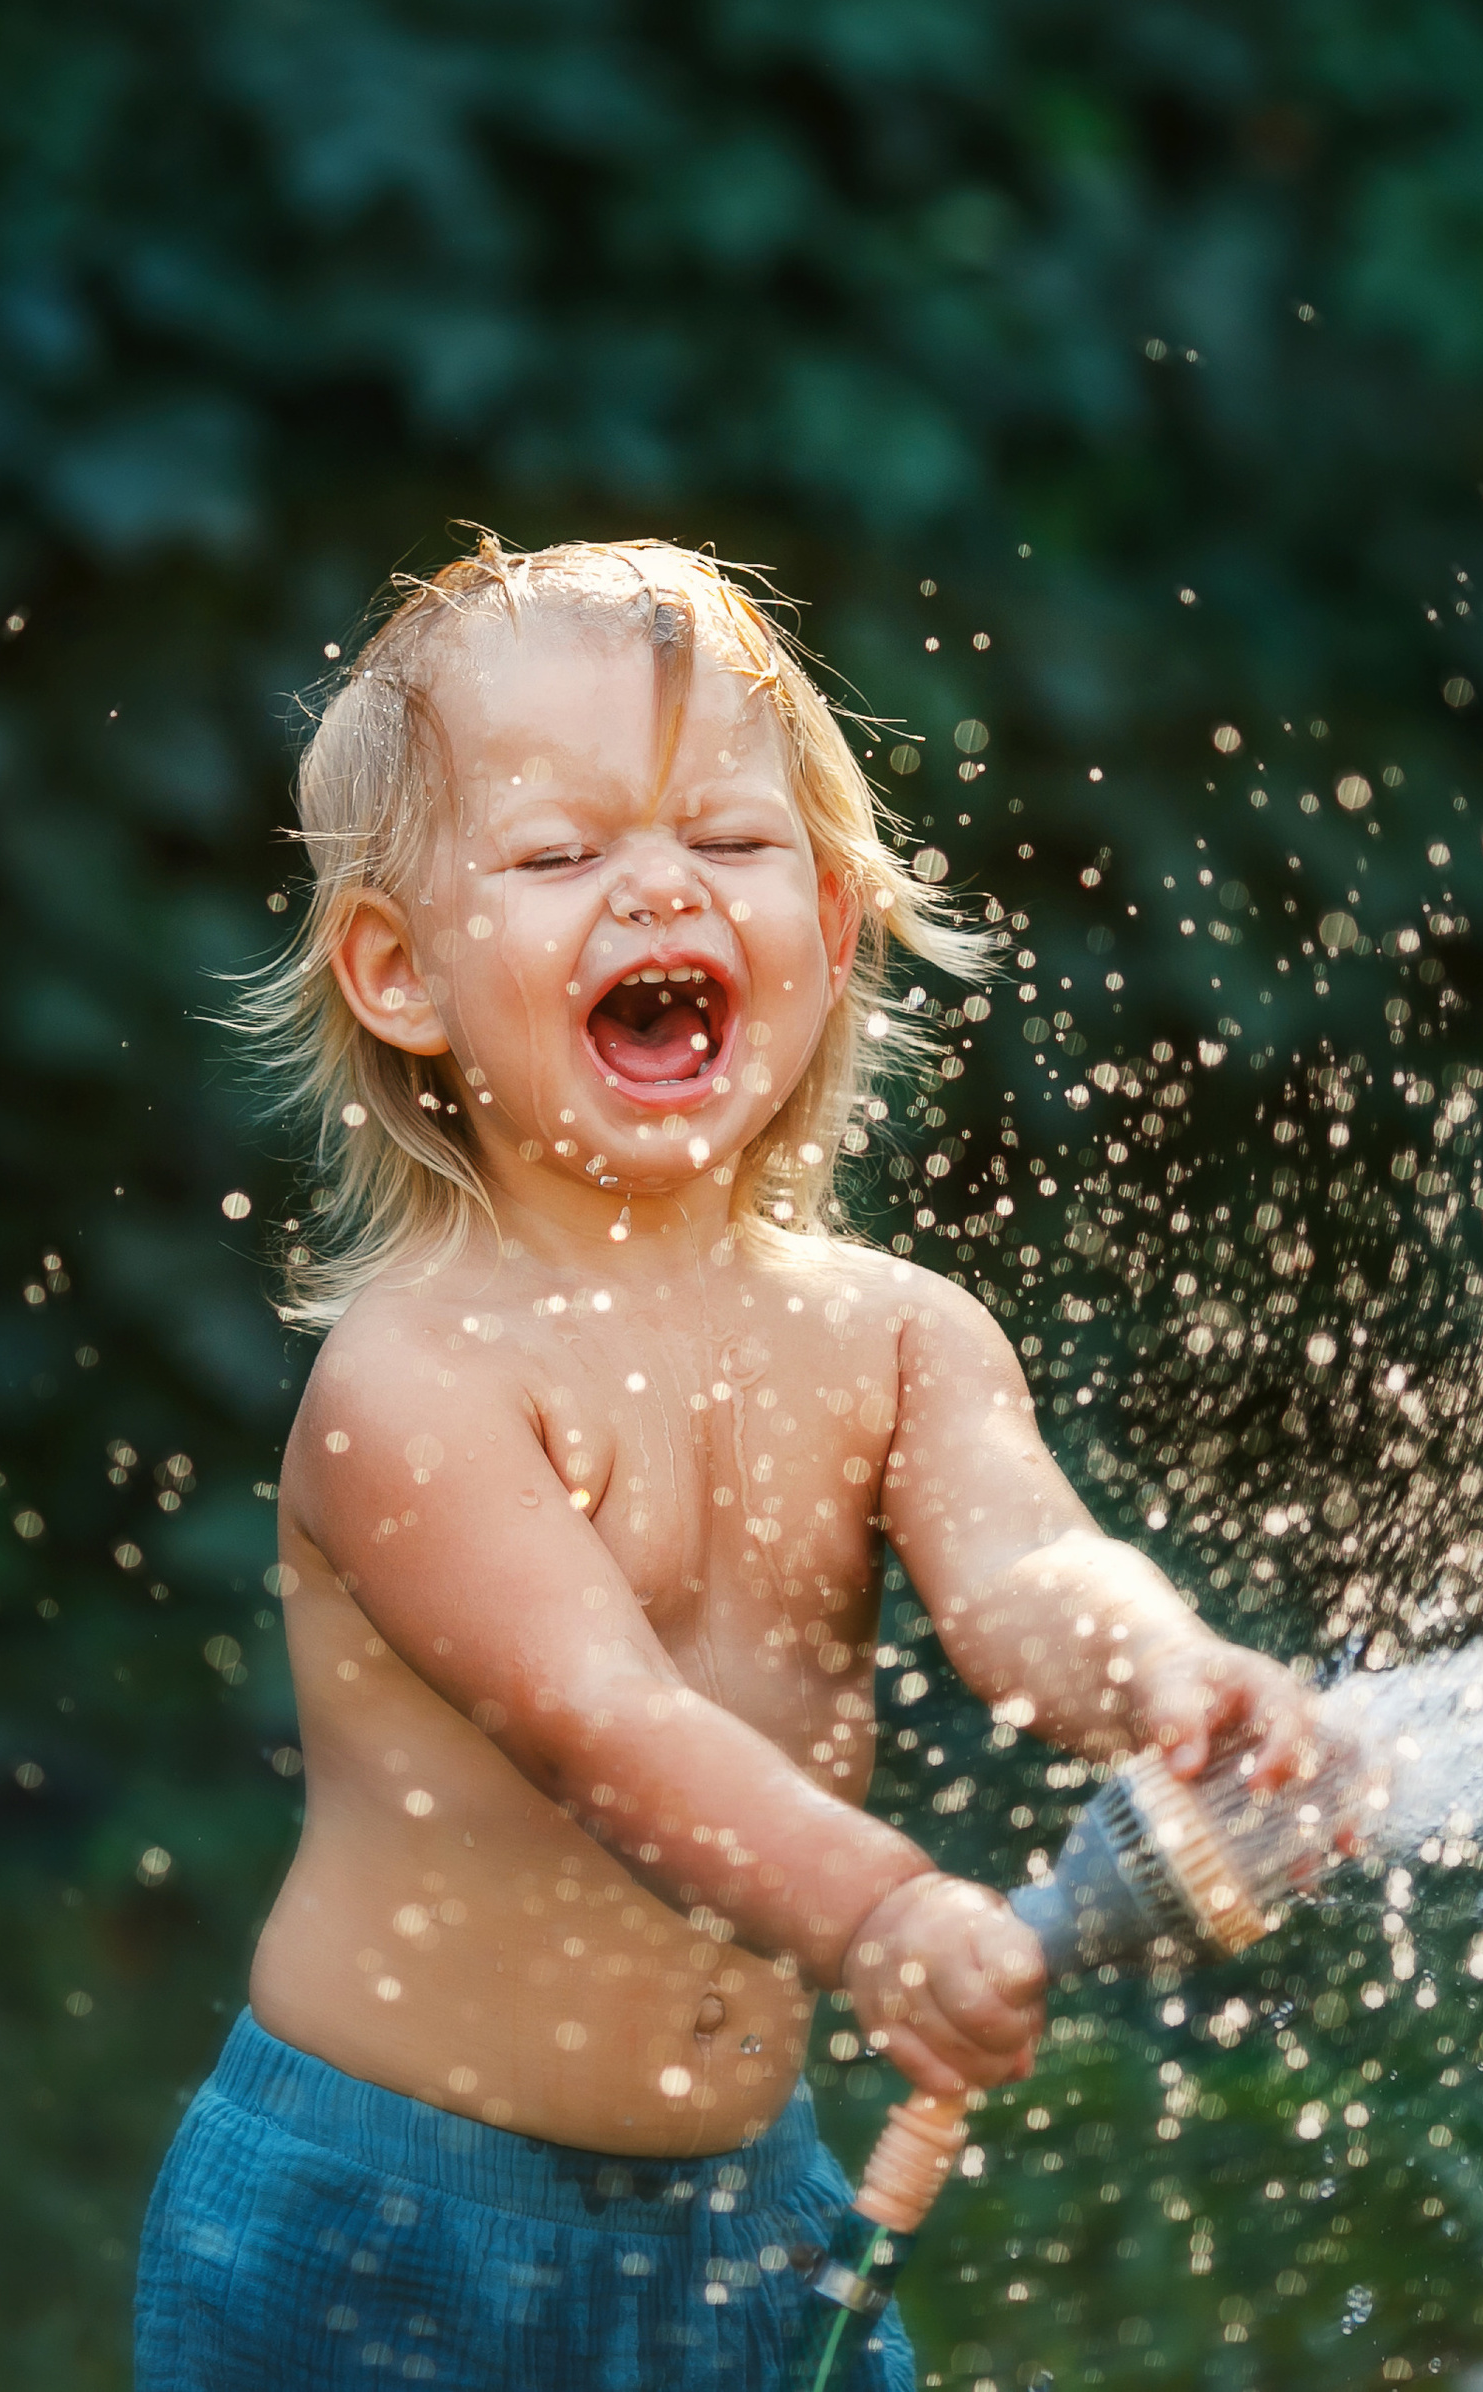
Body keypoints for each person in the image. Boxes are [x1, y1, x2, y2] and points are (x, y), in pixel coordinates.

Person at [134, 537, 1314, 2391]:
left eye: (732, 839)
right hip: (384, 2231)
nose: (660, 884)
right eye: (557, 855)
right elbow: (605, 1728)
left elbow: (1025, 1576)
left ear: (831, 930)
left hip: (747, 2224)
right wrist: (880, 1917)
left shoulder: (899, 1335)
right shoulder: (418, 1378)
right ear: (400, 972)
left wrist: (1163, 1671)